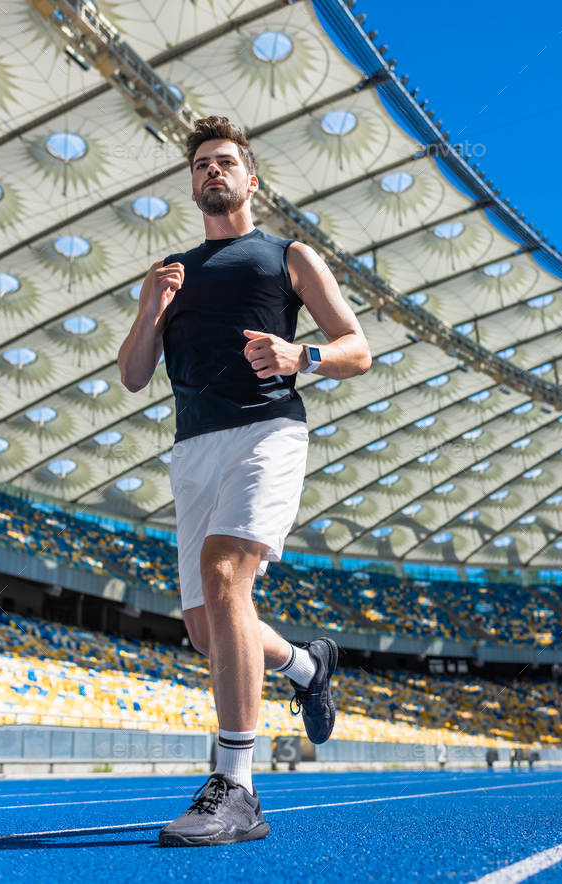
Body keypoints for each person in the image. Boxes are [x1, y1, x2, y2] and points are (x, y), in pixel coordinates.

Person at [118, 115, 371, 847]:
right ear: (191, 182)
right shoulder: (171, 271)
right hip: (192, 448)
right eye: (201, 164)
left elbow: (359, 348)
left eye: (225, 162)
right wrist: (148, 312)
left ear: (250, 179)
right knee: (206, 630)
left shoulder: (287, 255)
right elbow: (134, 377)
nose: (212, 172)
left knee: (226, 573)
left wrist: (304, 358)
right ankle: (304, 663)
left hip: (268, 431)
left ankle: (238, 786)